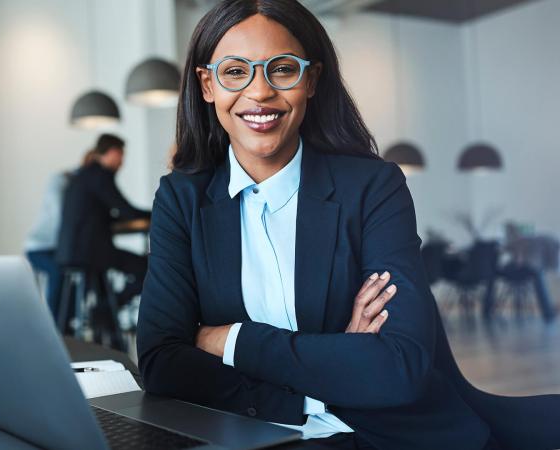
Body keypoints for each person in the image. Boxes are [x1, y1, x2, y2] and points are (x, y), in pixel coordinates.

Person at [136, 2, 560, 450]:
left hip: (390, 435)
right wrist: (329, 368)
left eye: (282, 70)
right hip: (254, 433)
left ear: (311, 80)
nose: (259, 92)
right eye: (235, 72)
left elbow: (399, 366)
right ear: (207, 85)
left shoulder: (373, 188)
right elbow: (163, 362)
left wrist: (229, 339)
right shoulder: (182, 199)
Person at [55, 134, 151, 310]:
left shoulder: (84, 174)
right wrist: (158, 213)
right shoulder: (100, 175)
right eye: (122, 156)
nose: (122, 163)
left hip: (71, 251)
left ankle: (105, 313)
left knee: (109, 279)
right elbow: (127, 211)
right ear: (114, 152)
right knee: (149, 269)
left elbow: (104, 214)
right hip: (90, 253)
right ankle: (107, 309)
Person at [24, 150, 96, 319]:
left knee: (87, 268)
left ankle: (70, 323)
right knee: (58, 272)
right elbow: (61, 217)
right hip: (40, 247)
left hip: (61, 248)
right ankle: (55, 325)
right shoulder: (61, 180)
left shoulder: (84, 186)